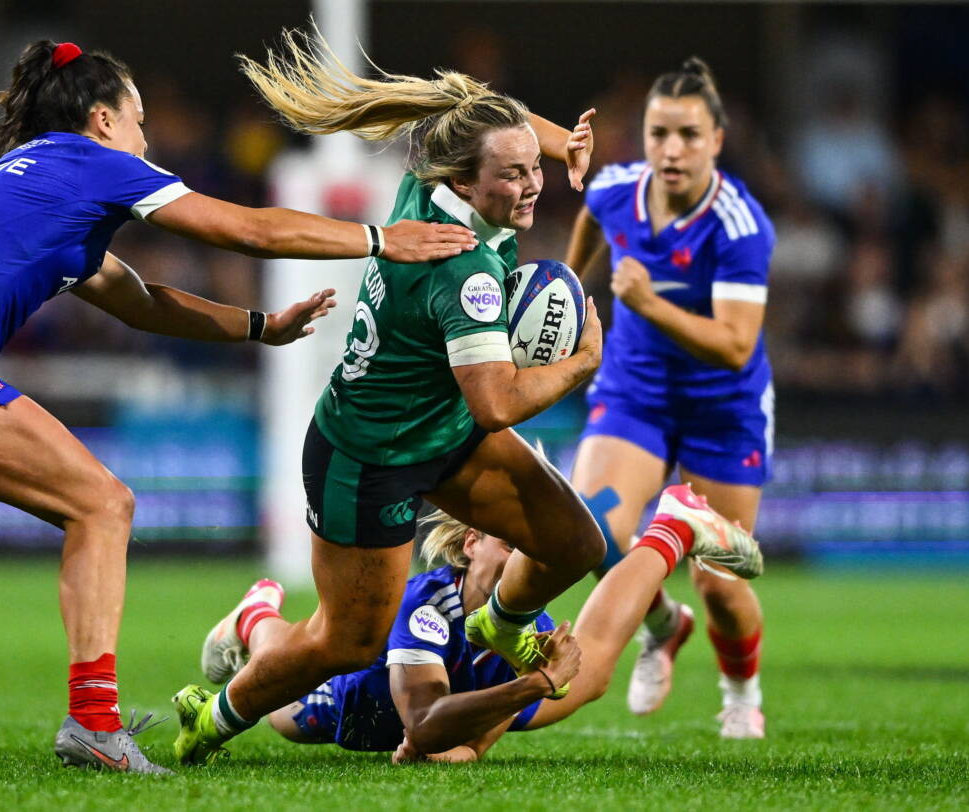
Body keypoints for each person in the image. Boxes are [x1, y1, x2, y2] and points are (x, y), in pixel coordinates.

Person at [0, 39, 478, 773]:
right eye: (139, 119)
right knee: (102, 505)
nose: (147, 140)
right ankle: (93, 722)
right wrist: (380, 239)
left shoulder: (34, 184)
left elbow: (141, 303)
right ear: (102, 120)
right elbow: (245, 228)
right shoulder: (90, 163)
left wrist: (258, 328)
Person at [171, 30, 759, 766]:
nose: (531, 185)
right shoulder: (465, 274)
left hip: (438, 432)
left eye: (529, 168)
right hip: (369, 455)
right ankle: (217, 713)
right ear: (469, 182)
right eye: (511, 176)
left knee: (575, 543)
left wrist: (556, 145)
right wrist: (583, 363)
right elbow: (498, 406)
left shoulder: (438, 179)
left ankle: (500, 624)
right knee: (347, 638)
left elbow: (491, 111)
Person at [201, 482, 761, 764]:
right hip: (358, 700)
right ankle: (256, 615)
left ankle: (674, 526)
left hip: (472, 694)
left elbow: (465, 740)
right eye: (509, 542)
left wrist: (473, 740)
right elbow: (423, 725)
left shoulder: (522, 610)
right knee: (284, 711)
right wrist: (532, 684)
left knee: (590, 674)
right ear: (470, 544)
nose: (524, 558)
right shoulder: (425, 605)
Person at [565, 58, 776, 738]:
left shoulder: (741, 227)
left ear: (717, 139)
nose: (671, 150)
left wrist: (649, 303)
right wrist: (566, 289)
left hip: (723, 406)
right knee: (590, 531)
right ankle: (661, 623)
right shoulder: (615, 189)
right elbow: (593, 222)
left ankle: (741, 690)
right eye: (659, 134)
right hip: (636, 393)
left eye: (688, 135)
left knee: (718, 578)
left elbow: (737, 344)